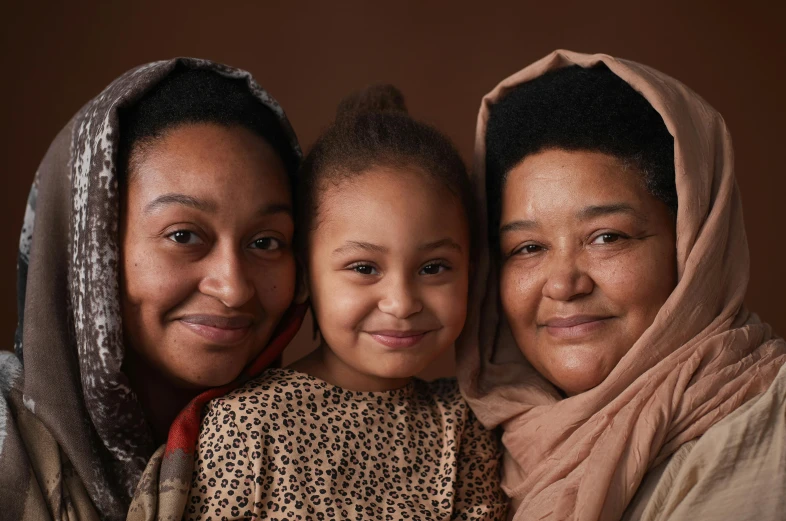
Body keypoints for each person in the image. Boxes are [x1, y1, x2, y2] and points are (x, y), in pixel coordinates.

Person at [457, 50, 786, 520]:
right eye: (528, 248)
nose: (564, 284)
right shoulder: (477, 447)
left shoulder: (766, 425)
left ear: (694, 244)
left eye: (607, 237)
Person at [0, 58, 306, 521]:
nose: (234, 288)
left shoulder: (311, 441)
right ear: (90, 251)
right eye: (183, 235)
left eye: (266, 242)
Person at [185, 85, 508, 521]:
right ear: (303, 277)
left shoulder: (467, 423)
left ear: (472, 272)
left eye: (433, 268)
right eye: (363, 268)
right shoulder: (247, 424)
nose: (401, 302)